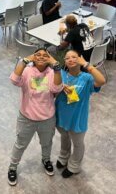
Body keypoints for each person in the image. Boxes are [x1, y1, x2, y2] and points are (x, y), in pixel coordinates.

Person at [7, 48, 63, 186]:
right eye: (38, 55)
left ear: (50, 58)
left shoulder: (51, 72)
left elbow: (56, 89)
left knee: (47, 143)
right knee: (20, 144)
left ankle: (46, 160)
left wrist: (56, 66)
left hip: (47, 118)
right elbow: (14, 80)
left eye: (45, 55)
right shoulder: (27, 70)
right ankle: (13, 167)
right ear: (33, 57)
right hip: (26, 117)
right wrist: (25, 60)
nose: (42, 57)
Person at [55, 50, 105, 178]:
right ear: (64, 61)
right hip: (61, 115)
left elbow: (101, 81)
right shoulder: (61, 74)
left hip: (77, 118)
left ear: (79, 60)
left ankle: (74, 166)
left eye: (74, 57)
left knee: (77, 143)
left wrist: (87, 65)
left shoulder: (86, 78)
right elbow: (50, 89)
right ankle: (63, 157)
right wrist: (59, 86)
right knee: (64, 137)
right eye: (67, 58)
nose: (70, 59)